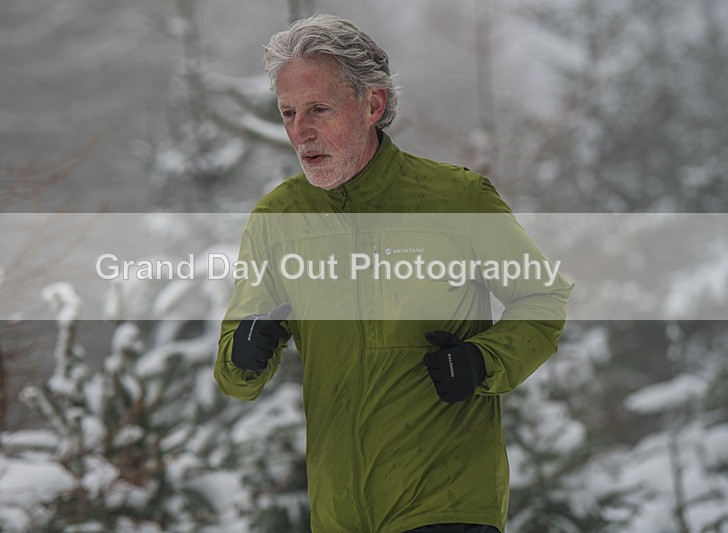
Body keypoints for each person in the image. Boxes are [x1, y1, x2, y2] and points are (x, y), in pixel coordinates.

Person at [214, 14, 573, 533]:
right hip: (340, 516)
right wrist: (244, 352)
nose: (300, 131)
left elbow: (543, 297)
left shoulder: (456, 200)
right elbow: (234, 377)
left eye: (318, 109)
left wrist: (482, 360)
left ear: (372, 104)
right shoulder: (278, 220)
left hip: (447, 504)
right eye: (288, 112)